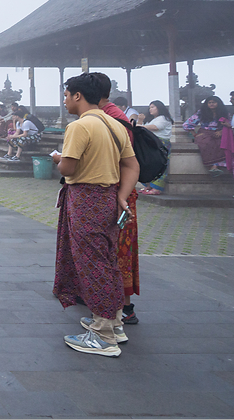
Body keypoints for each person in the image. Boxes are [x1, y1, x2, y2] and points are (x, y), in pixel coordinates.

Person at [52, 73, 138, 358]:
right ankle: (112, 321)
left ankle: (102, 335)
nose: (65, 100)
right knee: (107, 260)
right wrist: (123, 196)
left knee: (92, 264)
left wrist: (57, 159)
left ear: (78, 96)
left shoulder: (80, 126)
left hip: (87, 199)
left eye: (67, 95)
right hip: (109, 198)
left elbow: (69, 169)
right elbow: (131, 165)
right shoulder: (114, 124)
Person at [93, 73, 140, 326]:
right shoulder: (110, 115)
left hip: (117, 193)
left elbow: (122, 161)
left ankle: (123, 307)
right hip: (117, 190)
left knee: (117, 248)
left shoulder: (111, 119)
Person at [182, 96, 230, 176]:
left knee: (222, 143)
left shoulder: (224, 113)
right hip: (205, 133)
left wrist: (222, 132)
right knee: (206, 142)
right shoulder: (201, 112)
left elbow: (229, 124)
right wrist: (195, 135)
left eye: (214, 102)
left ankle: (216, 166)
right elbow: (187, 124)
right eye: (209, 103)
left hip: (219, 132)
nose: (212, 104)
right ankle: (211, 166)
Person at [136, 100, 173, 196]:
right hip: (152, 144)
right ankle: (148, 185)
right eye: (149, 108)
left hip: (161, 144)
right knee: (148, 164)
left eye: (152, 107)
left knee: (160, 165)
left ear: (159, 107)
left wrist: (141, 126)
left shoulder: (163, 118)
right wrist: (140, 122)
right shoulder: (152, 119)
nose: (150, 109)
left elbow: (156, 127)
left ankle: (157, 188)